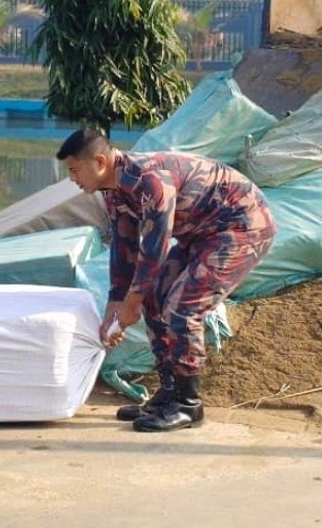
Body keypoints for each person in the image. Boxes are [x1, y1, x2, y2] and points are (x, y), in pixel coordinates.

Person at [57, 128, 276, 433]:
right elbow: (124, 247)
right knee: (155, 297)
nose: (71, 178)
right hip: (200, 236)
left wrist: (130, 306)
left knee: (183, 308)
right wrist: (115, 304)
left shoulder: (150, 179)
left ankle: (189, 404)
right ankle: (170, 393)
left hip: (241, 227)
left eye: (73, 169)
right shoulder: (113, 190)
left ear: (99, 162)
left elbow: (154, 247)